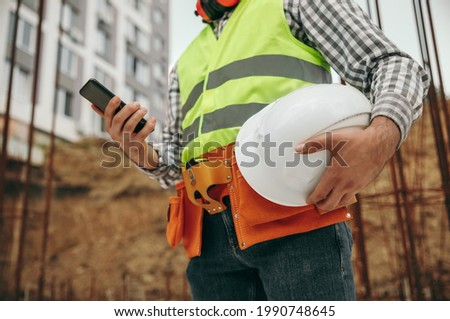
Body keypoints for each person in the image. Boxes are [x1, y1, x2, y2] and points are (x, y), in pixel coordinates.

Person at [92, 0, 429, 300]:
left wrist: (381, 137)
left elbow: (393, 64)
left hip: (296, 224)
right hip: (208, 246)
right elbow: (174, 167)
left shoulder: (293, 4)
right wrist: (137, 149)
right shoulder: (184, 62)